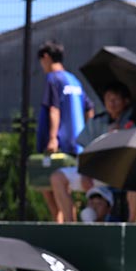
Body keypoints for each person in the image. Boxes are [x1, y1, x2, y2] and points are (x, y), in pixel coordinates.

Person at [46, 81, 136, 223]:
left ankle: (132, 224)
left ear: (126, 101)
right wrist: (85, 172)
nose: (111, 103)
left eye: (116, 99)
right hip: (95, 174)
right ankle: (69, 223)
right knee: (57, 178)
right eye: (108, 99)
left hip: (121, 175)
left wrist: (120, 136)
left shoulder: (134, 122)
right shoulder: (97, 121)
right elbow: (85, 150)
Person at [36, 41, 95, 220]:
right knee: (64, 187)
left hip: (59, 144)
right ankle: (69, 223)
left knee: (49, 186)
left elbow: (54, 109)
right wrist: (87, 134)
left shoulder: (53, 78)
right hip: (77, 145)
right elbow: (90, 109)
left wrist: (53, 138)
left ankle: (62, 225)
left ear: (46, 57)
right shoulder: (74, 80)